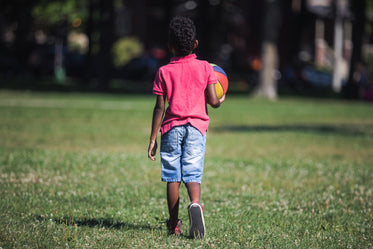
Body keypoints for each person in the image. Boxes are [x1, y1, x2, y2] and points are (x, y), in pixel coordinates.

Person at [147, 16, 225, 238]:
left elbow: (159, 107)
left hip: (171, 128)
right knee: (193, 172)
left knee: (172, 176)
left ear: (170, 46)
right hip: (197, 128)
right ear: (196, 44)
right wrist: (221, 99)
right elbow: (213, 101)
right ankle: (196, 204)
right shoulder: (205, 68)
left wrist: (153, 138)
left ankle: (173, 224)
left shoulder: (163, 71)